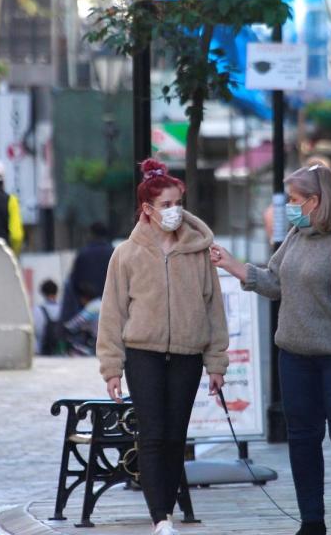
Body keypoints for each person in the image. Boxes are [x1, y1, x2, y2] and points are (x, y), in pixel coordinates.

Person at [210, 161, 331, 535]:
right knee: (303, 438)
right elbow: (275, 282)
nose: (288, 206)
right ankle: (312, 522)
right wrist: (232, 265)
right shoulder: (297, 236)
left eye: (294, 199)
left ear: (315, 201)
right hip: (296, 355)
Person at [96, 159, 229, 535]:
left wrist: (216, 362)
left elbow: (213, 309)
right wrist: (111, 368)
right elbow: (112, 313)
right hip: (143, 355)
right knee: (152, 435)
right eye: (166, 205)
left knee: (175, 437)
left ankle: (166, 510)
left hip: (188, 355)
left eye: (177, 203)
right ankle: (161, 518)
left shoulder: (199, 252)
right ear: (147, 209)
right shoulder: (126, 254)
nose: (174, 211)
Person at [60, 221, 115, 322]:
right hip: (110, 307)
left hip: (86, 309)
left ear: (91, 234)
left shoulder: (83, 254)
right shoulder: (114, 253)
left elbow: (73, 284)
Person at [63, 282, 100, 356]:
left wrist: (64, 326)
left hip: (98, 339)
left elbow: (76, 322)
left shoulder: (92, 307)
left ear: (84, 298)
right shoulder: (99, 303)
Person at [32, 279, 62, 355]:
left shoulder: (38, 310)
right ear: (57, 292)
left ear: (43, 293)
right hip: (61, 352)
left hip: (43, 352)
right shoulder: (63, 308)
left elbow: (36, 331)